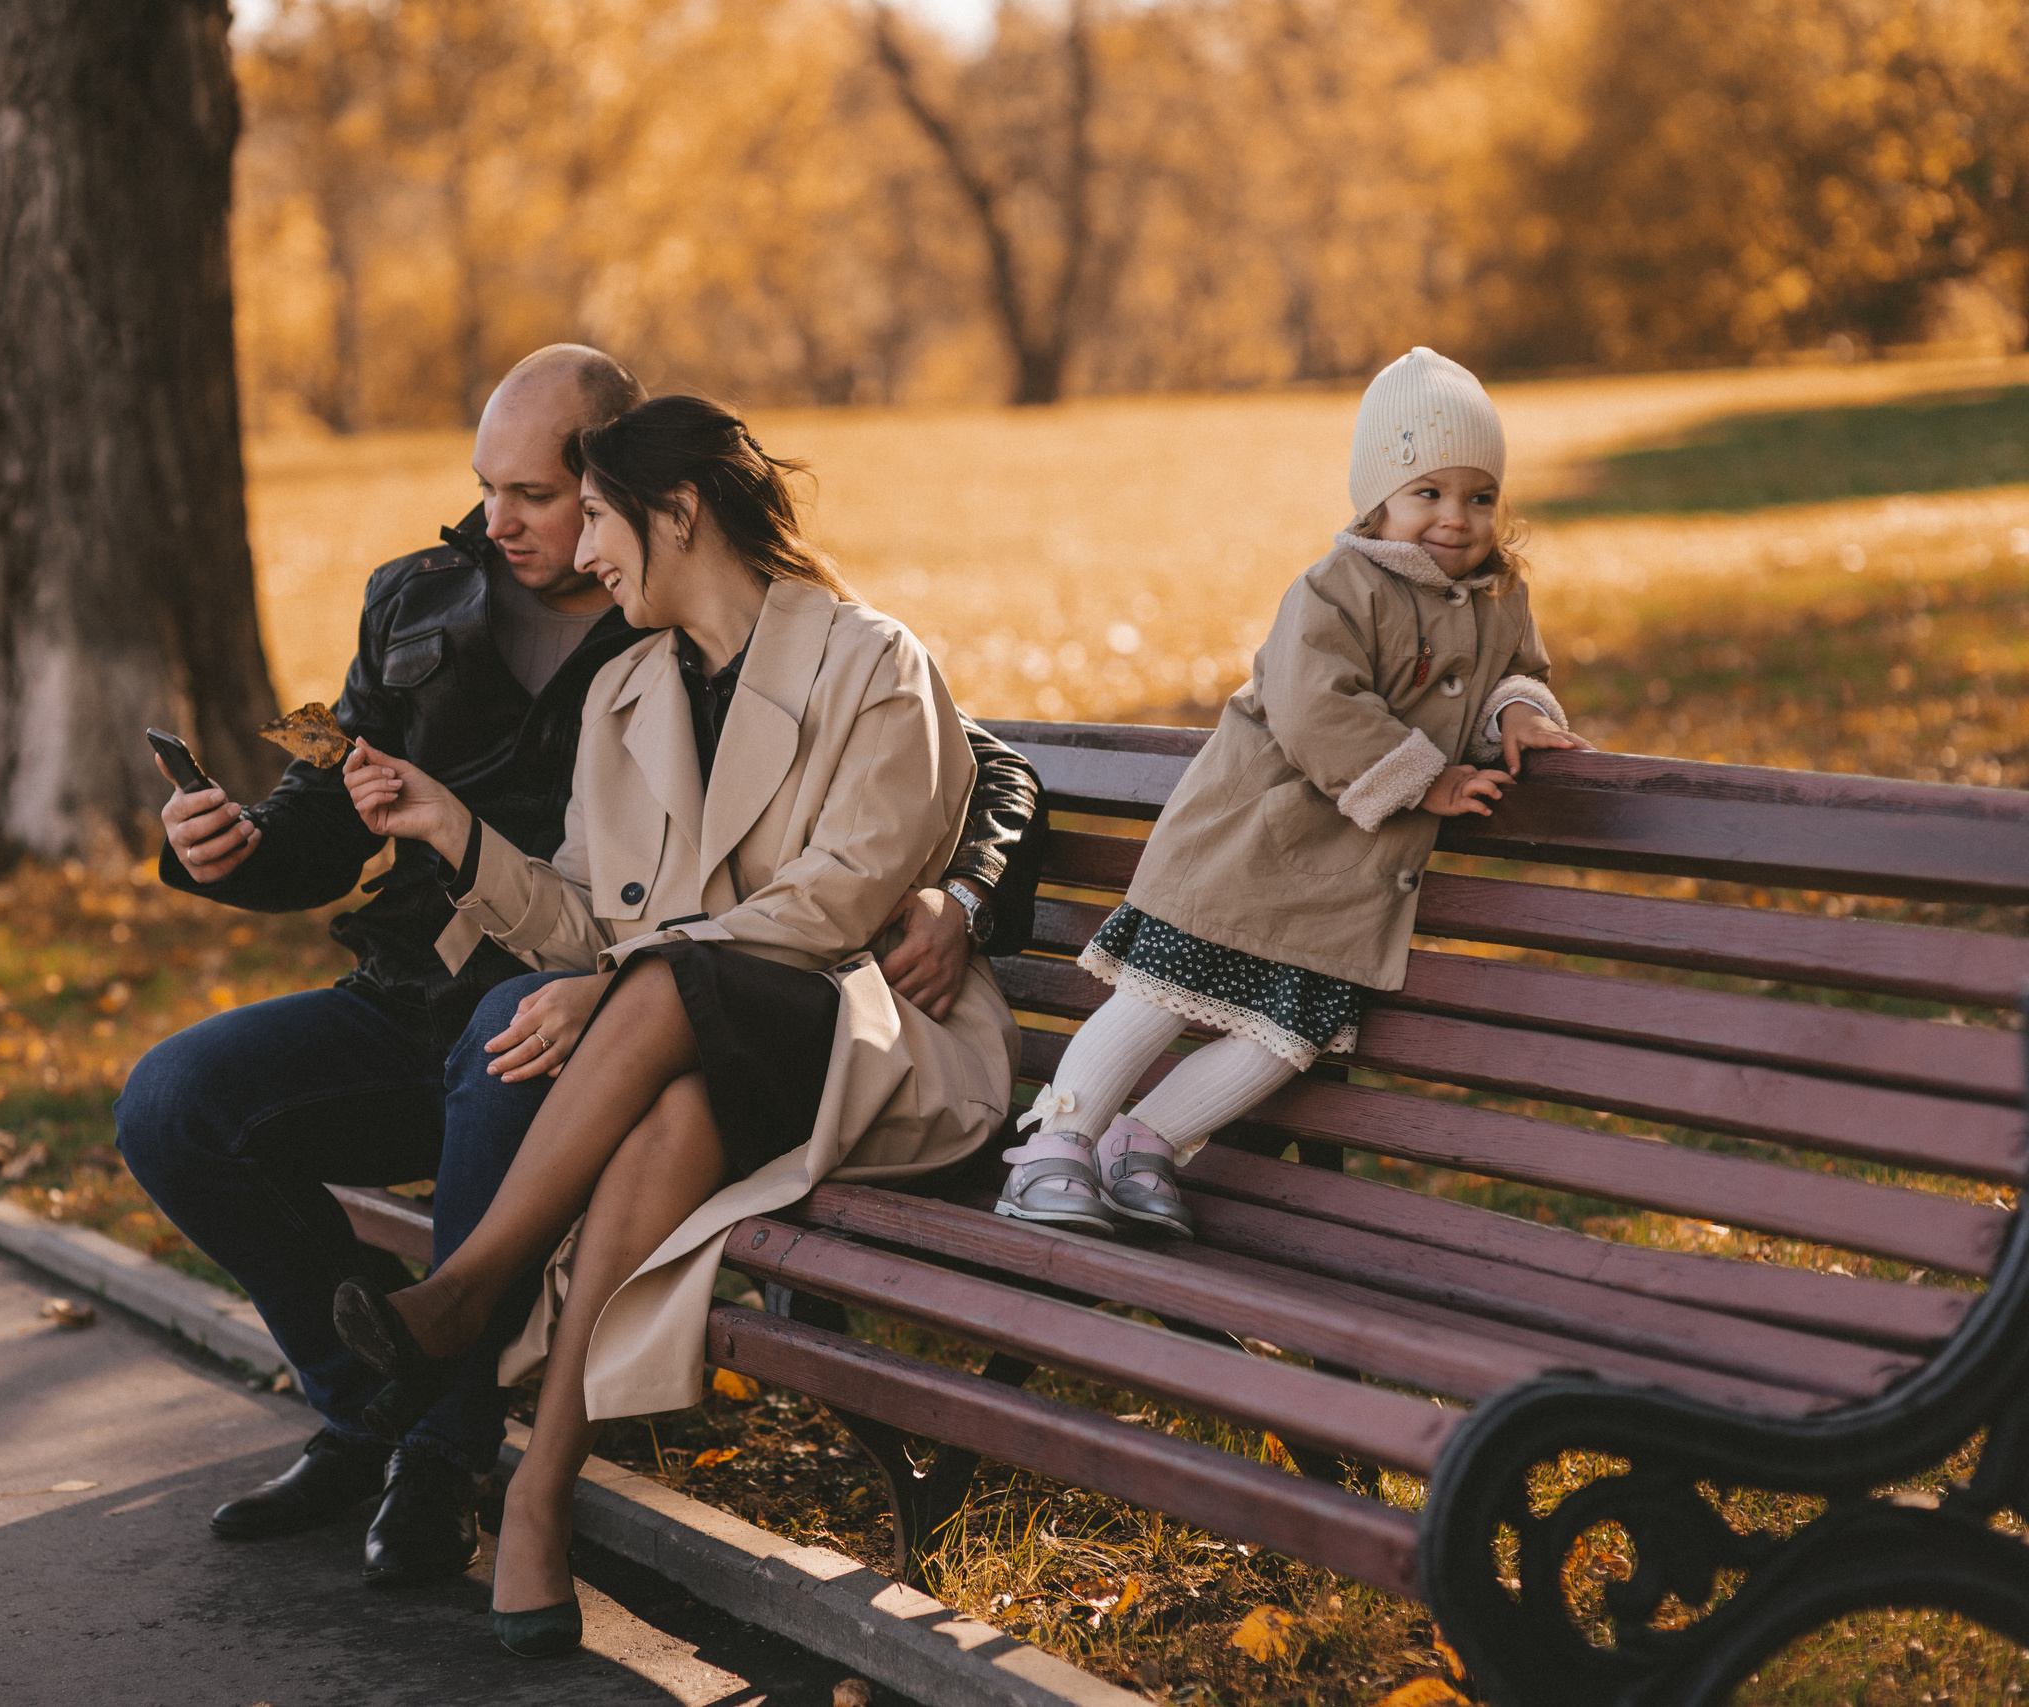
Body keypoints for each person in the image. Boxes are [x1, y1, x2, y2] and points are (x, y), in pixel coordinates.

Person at [114, 348, 1042, 1585]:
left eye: (547, 499)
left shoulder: (760, 631)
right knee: (176, 1102)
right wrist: (253, 848)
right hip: (466, 1001)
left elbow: (962, 774)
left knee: (526, 1029)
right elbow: (376, 828)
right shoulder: (456, 611)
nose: (503, 524)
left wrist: (966, 890)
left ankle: (447, 1450)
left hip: (673, 1023)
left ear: (637, 494)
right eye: (485, 489)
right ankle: (374, 1410)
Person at [328, 394, 1020, 1656]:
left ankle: (466, 1291)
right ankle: (539, 1498)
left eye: (596, 518)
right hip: (707, 1064)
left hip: (870, 1040)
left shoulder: (872, 661)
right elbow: (590, 926)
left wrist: (627, 975)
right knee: (673, 1090)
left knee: (658, 993)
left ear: (678, 513)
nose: (584, 555)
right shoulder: (630, 694)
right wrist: (453, 832)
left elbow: (838, 902)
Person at [995, 347, 1592, 1238]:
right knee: (1160, 994)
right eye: (1428, 492)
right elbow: (1318, 706)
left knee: (1283, 1038)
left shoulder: (1500, 594)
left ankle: (1142, 1142)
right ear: (1379, 498)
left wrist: (1518, 712)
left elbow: (1515, 671)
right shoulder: (1338, 589)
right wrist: (1428, 780)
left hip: (1337, 893)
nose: (1457, 518)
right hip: (1248, 844)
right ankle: (1054, 1143)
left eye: (1479, 496)